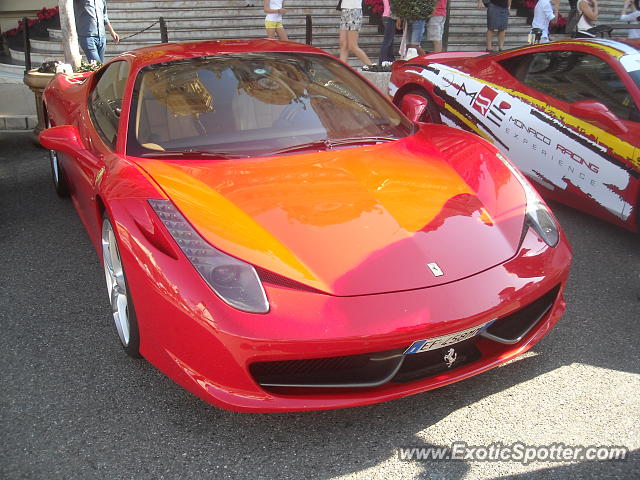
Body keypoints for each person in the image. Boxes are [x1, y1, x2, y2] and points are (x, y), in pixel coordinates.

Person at [339, 0, 374, 70]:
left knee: (352, 46)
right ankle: (341, 72)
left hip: (354, 10)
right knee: (343, 45)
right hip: (345, 9)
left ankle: (372, 67)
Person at [378, 0, 396, 68]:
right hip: (389, 17)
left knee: (390, 40)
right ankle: (383, 60)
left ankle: (390, 60)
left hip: (388, 17)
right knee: (387, 41)